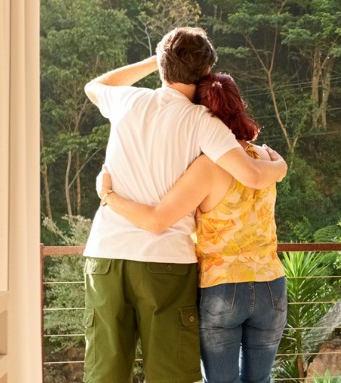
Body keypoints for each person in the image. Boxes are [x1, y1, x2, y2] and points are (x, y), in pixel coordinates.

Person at [81, 27, 287, 383]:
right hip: (165, 261)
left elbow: (95, 85)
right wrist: (281, 165)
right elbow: (253, 176)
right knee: (170, 375)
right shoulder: (203, 122)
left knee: (104, 372)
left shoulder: (127, 100)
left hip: (105, 253)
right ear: (207, 72)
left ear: (162, 67)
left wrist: (157, 61)